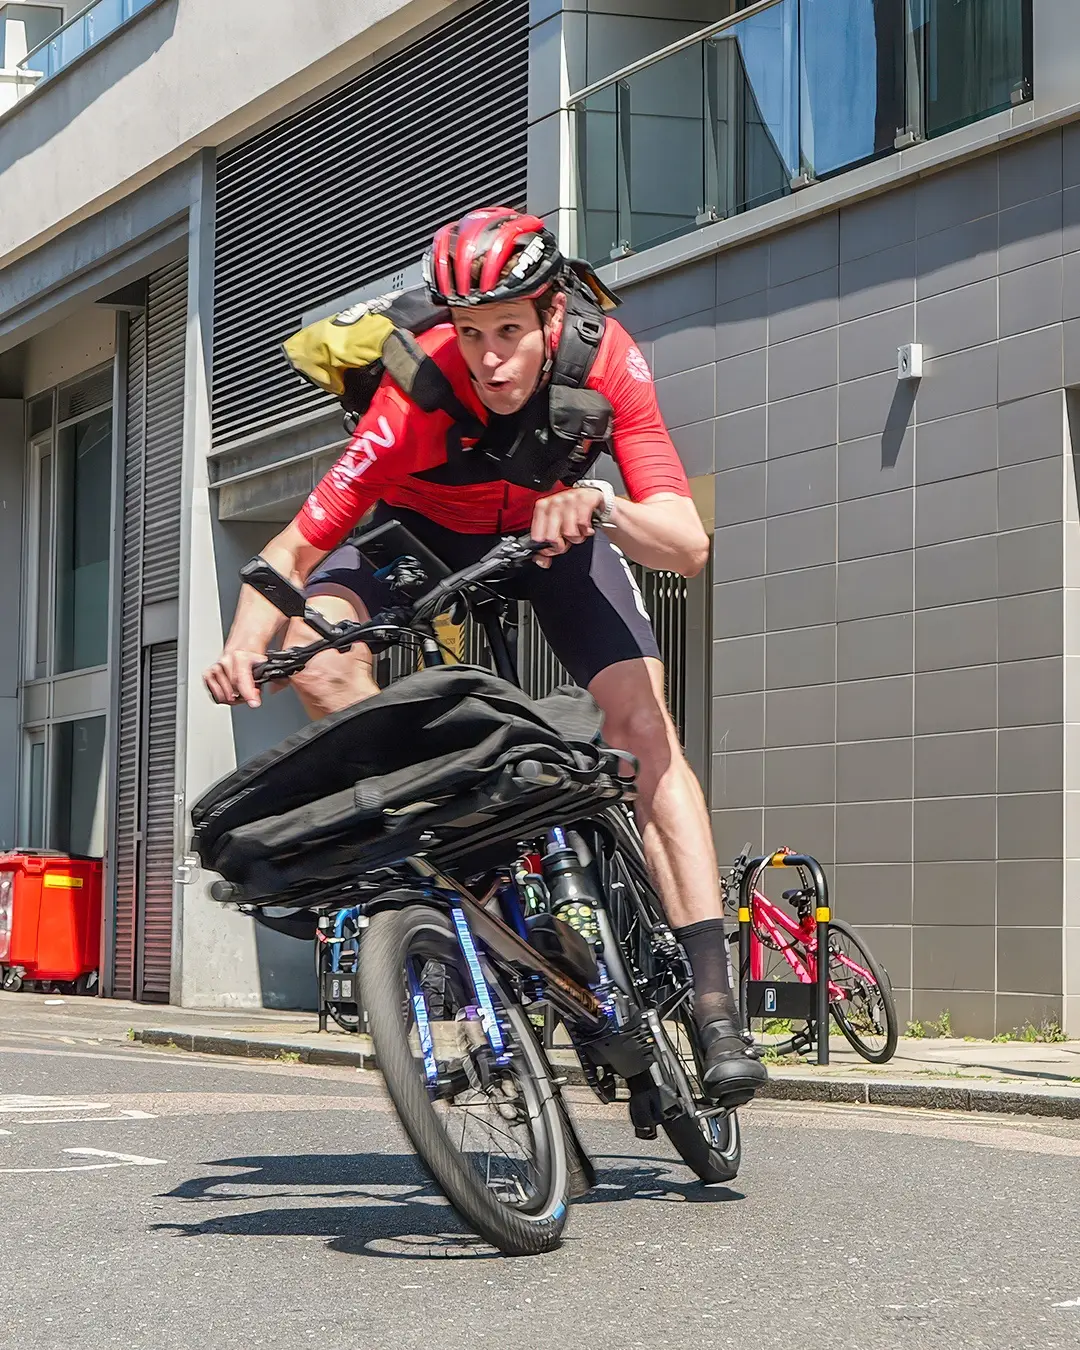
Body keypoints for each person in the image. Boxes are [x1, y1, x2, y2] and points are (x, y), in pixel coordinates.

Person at [204, 206, 766, 1107]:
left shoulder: (605, 357)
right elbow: (292, 552)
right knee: (314, 655)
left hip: (555, 534)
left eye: (510, 331)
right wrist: (242, 645)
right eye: (472, 335)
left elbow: (687, 543)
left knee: (641, 723)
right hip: (420, 538)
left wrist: (597, 503)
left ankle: (712, 1003)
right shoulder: (416, 393)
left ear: (550, 317)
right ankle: (441, 849)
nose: (492, 357)